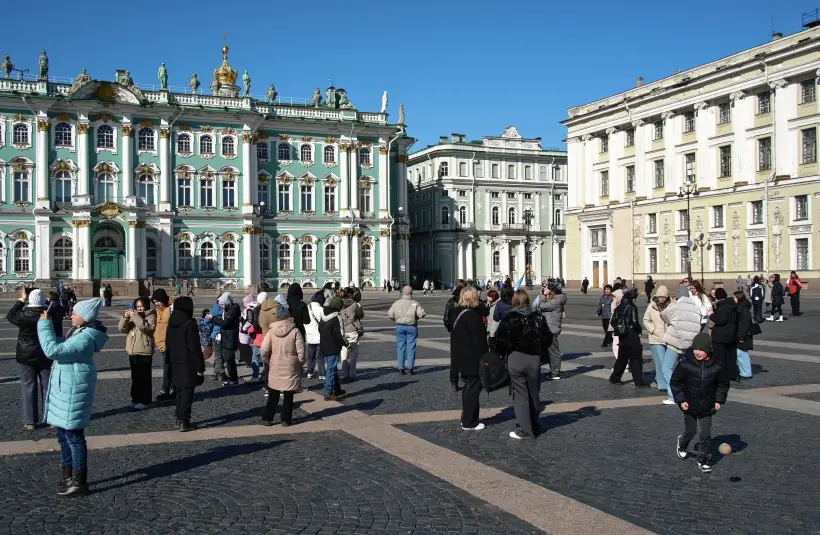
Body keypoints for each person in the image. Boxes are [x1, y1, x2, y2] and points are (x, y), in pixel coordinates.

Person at [38, 298, 108, 496]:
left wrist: (44, 325)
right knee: (63, 435)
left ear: (84, 317)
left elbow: (53, 351)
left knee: (74, 437)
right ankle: (67, 474)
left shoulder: (84, 338)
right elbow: (61, 346)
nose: (71, 315)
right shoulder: (78, 333)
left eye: (75, 313)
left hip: (72, 393)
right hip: (66, 391)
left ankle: (79, 481)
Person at [495, 290, 552, 440]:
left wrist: (501, 354)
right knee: (534, 393)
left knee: (520, 395)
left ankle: (525, 430)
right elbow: (548, 338)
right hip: (534, 358)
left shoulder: (509, 318)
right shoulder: (538, 316)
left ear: (514, 301)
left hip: (516, 357)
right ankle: (534, 425)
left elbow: (500, 341)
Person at [670, 333, 730, 473]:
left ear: (708, 349)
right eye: (695, 348)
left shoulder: (717, 365)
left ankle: (703, 460)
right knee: (690, 431)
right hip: (689, 404)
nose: (697, 352)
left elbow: (723, 384)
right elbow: (676, 382)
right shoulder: (685, 364)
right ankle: (683, 444)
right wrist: (681, 400)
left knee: (705, 435)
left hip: (707, 406)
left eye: (701, 349)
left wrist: (719, 400)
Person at [7, 288, 52, 430]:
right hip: (45, 354)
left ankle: (30, 421)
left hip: (25, 355)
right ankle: (50, 418)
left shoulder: (23, 315)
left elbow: (10, 315)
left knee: (28, 386)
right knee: (48, 387)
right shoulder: (49, 314)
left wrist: (21, 299)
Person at [448, 287, 489, 431]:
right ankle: (470, 421)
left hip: (460, 356)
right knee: (473, 389)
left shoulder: (456, 312)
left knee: (467, 388)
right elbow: (480, 341)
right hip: (473, 357)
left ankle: (465, 417)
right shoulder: (472, 316)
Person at [260, 304, 305, 426]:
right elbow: (301, 351)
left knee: (273, 393)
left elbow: (264, 349)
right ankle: (286, 420)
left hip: (275, 364)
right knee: (289, 394)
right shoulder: (295, 330)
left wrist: (268, 361)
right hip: (291, 365)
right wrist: (299, 364)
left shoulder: (271, 331)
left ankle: (267, 418)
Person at [166, 296, 205, 432]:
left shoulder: (171, 322)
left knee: (179, 391)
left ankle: (178, 417)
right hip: (188, 363)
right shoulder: (189, 323)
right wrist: (200, 367)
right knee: (188, 391)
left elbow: (168, 344)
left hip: (175, 362)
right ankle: (184, 420)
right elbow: (194, 347)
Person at [659, 287, 701, 404]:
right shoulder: (695, 307)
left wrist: (672, 306)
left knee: (666, 368)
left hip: (675, 341)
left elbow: (663, 315)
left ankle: (673, 395)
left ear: (677, 297)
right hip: (689, 343)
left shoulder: (675, 306)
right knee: (683, 369)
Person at [118, 297, 156, 410]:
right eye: (137, 306)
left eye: (141, 306)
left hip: (144, 351)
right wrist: (125, 317)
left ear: (146, 306)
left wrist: (135, 316)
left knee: (144, 378)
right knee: (135, 378)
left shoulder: (151, 315)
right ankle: (135, 399)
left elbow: (148, 328)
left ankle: (145, 400)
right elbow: (122, 329)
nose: (139, 308)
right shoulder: (133, 316)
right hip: (133, 350)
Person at [609, 289, 648, 387]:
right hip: (632, 335)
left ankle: (615, 378)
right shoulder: (632, 307)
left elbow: (613, 321)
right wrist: (639, 330)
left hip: (622, 335)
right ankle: (638, 382)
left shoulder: (618, 307)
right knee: (636, 358)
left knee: (622, 358)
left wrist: (619, 328)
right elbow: (635, 322)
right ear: (632, 298)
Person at [388, 286, 427, 374]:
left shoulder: (396, 303)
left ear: (402, 292)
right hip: (412, 327)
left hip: (400, 326)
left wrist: (396, 319)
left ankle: (401, 368)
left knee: (400, 347)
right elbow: (422, 314)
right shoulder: (415, 303)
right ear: (411, 293)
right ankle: (410, 367)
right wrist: (416, 317)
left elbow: (390, 314)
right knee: (411, 347)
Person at [319, 296, 348, 401]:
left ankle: (337, 388)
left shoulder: (324, 314)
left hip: (324, 345)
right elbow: (339, 333)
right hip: (333, 346)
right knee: (331, 369)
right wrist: (346, 343)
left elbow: (319, 329)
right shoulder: (336, 317)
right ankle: (328, 392)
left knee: (333, 368)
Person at [209, 292, 241, 386]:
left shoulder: (233, 310)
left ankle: (233, 379)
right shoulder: (229, 308)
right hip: (226, 337)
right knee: (228, 359)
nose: (221, 306)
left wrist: (213, 318)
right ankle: (232, 378)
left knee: (230, 359)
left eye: (222, 304)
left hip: (229, 338)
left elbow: (225, 323)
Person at [643, 285, 670, 393]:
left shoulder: (671, 305)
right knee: (660, 361)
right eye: (660, 297)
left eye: (664, 297)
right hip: (656, 338)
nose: (661, 299)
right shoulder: (652, 306)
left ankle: (668, 382)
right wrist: (653, 330)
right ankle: (662, 384)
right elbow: (646, 320)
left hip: (669, 338)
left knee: (668, 362)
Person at [538, 283, 567, 380]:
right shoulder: (554, 299)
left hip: (552, 329)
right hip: (547, 328)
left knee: (554, 352)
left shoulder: (557, 300)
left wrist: (543, 295)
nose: (546, 290)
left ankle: (555, 373)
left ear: (552, 290)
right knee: (549, 352)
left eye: (548, 289)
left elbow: (541, 306)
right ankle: (553, 371)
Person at [710, 288, 738, 381]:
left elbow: (720, 320)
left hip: (720, 336)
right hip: (731, 334)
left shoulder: (723, 306)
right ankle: (732, 374)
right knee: (730, 356)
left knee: (720, 357)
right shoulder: (732, 305)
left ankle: (721, 375)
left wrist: (711, 315)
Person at [444, 279, 467, 391]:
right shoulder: (467, 302)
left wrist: (451, 328)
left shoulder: (451, 301)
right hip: (466, 333)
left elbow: (446, 319)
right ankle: (465, 377)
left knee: (454, 358)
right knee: (467, 355)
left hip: (455, 333)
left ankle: (454, 381)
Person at [340, 287, 364, 382]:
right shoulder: (354, 305)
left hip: (342, 330)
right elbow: (361, 315)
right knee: (353, 353)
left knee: (344, 353)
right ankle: (352, 374)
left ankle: (345, 374)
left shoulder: (340, 304)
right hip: (353, 330)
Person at [152, 289, 172, 401]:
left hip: (169, 344)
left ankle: (165, 390)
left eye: (157, 301)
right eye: (154, 302)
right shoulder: (157, 311)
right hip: (161, 344)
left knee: (168, 368)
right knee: (169, 367)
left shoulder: (169, 310)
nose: (156, 304)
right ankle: (172, 389)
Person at [734, 290, 755, 380]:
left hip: (743, 335)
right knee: (740, 354)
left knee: (742, 353)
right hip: (741, 333)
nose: (733, 298)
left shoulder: (743, 309)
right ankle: (743, 372)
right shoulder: (740, 307)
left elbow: (744, 324)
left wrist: (741, 337)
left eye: (734, 297)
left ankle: (746, 373)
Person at [305, 290, 325, 380]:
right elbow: (324, 321)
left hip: (309, 335)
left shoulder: (306, 308)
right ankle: (321, 373)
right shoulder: (321, 309)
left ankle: (309, 372)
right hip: (320, 335)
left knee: (310, 355)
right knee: (320, 356)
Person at [238, 294, 256, 367]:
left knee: (245, 345)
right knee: (242, 344)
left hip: (245, 330)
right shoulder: (248, 309)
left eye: (245, 302)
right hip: (243, 329)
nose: (243, 304)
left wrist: (244, 328)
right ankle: (244, 357)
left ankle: (249, 360)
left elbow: (250, 320)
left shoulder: (249, 310)